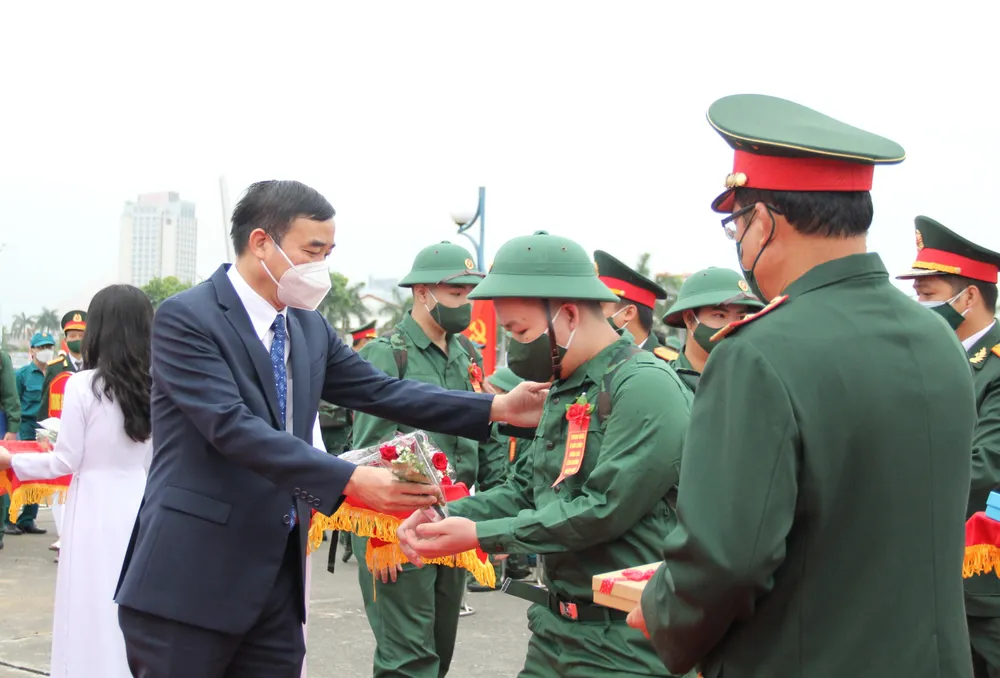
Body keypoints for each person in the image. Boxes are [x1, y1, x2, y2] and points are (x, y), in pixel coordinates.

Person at [113, 180, 546, 678]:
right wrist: (351, 481)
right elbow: (231, 427)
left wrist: (496, 408)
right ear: (261, 243)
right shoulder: (187, 318)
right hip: (191, 578)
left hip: (276, 580)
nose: (321, 266)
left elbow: (382, 391)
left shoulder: (306, 325)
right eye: (312, 250)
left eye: (328, 252)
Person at [625, 93, 976, 677]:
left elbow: (727, 562)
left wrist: (664, 611)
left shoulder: (756, 352)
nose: (738, 244)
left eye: (736, 226)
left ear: (762, 222)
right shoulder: (935, 337)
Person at [399, 230, 693, 677]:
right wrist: (444, 515)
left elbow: (603, 509)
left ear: (569, 315)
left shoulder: (644, 386)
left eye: (519, 331)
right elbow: (526, 488)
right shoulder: (565, 388)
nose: (516, 348)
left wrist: (480, 535)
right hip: (557, 632)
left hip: (626, 645)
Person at [347, 240, 502, 677]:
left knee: (440, 649)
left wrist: (498, 516)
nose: (465, 303)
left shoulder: (467, 352)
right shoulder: (387, 351)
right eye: (456, 293)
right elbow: (372, 453)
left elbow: (483, 432)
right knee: (408, 659)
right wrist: (385, 535)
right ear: (422, 293)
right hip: (400, 524)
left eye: (470, 293)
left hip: (452, 517)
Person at [0, 285, 154, 678]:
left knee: (90, 601)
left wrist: (13, 461)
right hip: (145, 503)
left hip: (95, 507)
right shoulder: (161, 383)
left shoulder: (83, 385)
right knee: (137, 604)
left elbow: (64, 461)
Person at [896, 215, 1000, 677]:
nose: (917, 307)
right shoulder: (931, 361)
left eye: (928, 295)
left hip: (985, 580)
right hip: (934, 569)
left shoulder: (994, 367)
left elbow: (984, 469)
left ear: (969, 296)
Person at [323, 319, 378, 572]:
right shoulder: (341, 363)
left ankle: (346, 533)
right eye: (368, 341)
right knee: (342, 481)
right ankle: (341, 531)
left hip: (349, 430)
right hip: (332, 432)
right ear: (361, 341)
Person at [38, 310, 87, 555]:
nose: (76, 338)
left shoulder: (97, 364)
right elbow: (45, 400)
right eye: (72, 334)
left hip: (88, 433)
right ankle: (62, 535)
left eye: (81, 334)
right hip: (59, 431)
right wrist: (43, 431)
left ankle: (78, 533)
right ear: (65, 339)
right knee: (59, 485)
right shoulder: (56, 367)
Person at [660, 267, 762, 381]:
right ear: (689, 319)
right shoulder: (665, 383)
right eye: (720, 315)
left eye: (741, 317)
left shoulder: (752, 381)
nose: (733, 326)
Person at [7, 331, 57, 536]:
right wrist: (14, 429)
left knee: (39, 475)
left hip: (47, 429)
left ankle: (28, 519)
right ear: (32, 351)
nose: (46, 351)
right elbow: (14, 402)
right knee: (17, 473)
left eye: (49, 347)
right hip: (26, 427)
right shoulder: (23, 375)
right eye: (41, 347)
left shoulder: (55, 373)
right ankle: (8, 519)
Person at [595, 250, 667, 351]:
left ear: (628, 313)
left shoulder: (667, 365)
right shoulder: (588, 359)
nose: (589, 314)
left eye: (598, 307)